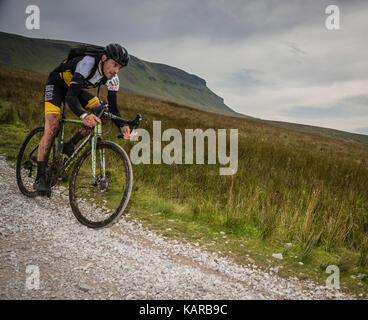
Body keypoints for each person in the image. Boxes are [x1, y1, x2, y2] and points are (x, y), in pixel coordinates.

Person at [34, 43, 131, 194]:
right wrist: (84, 116)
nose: (116, 71)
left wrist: (123, 126)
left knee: (103, 114)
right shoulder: (87, 63)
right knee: (52, 125)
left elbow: (113, 108)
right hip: (58, 83)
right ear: (104, 58)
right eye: (115, 65)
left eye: (120, 68)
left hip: (76, 88)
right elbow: (70, 97)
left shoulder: (113, 79)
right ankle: (40, 178)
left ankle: (71, 143)